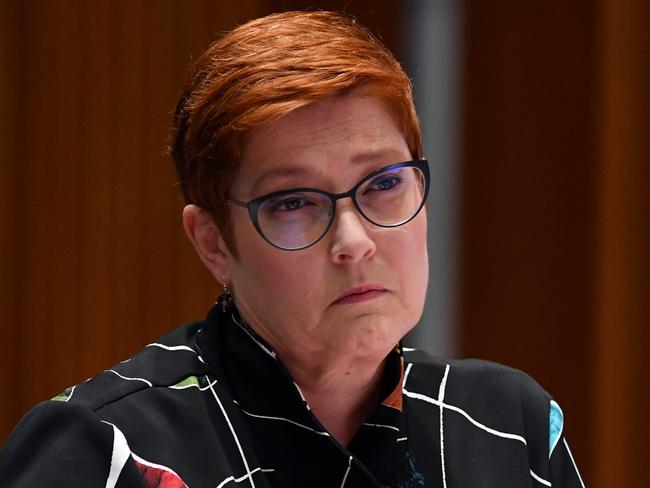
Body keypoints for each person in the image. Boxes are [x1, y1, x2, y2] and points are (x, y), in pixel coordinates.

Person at [0, 10, 585, 488]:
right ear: (213, 243)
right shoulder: (102, 449)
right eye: (292, 202)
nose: (353, 242)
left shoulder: (508, 425)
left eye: (384, 184)